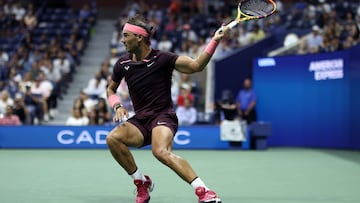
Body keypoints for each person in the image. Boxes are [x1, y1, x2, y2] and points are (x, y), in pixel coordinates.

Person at [106, 15, 227, 203]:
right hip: (140, 120)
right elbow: (111, 89)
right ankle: (140, 182)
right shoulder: (123, 63)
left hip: (163, 116)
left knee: (160, 151)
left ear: (139, 38)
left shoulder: (163, 59)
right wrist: (117, 105)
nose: (122, 40)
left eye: (126, 35)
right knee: (113, 139)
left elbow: (196, 66)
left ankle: (204, 192)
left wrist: (215, 40)